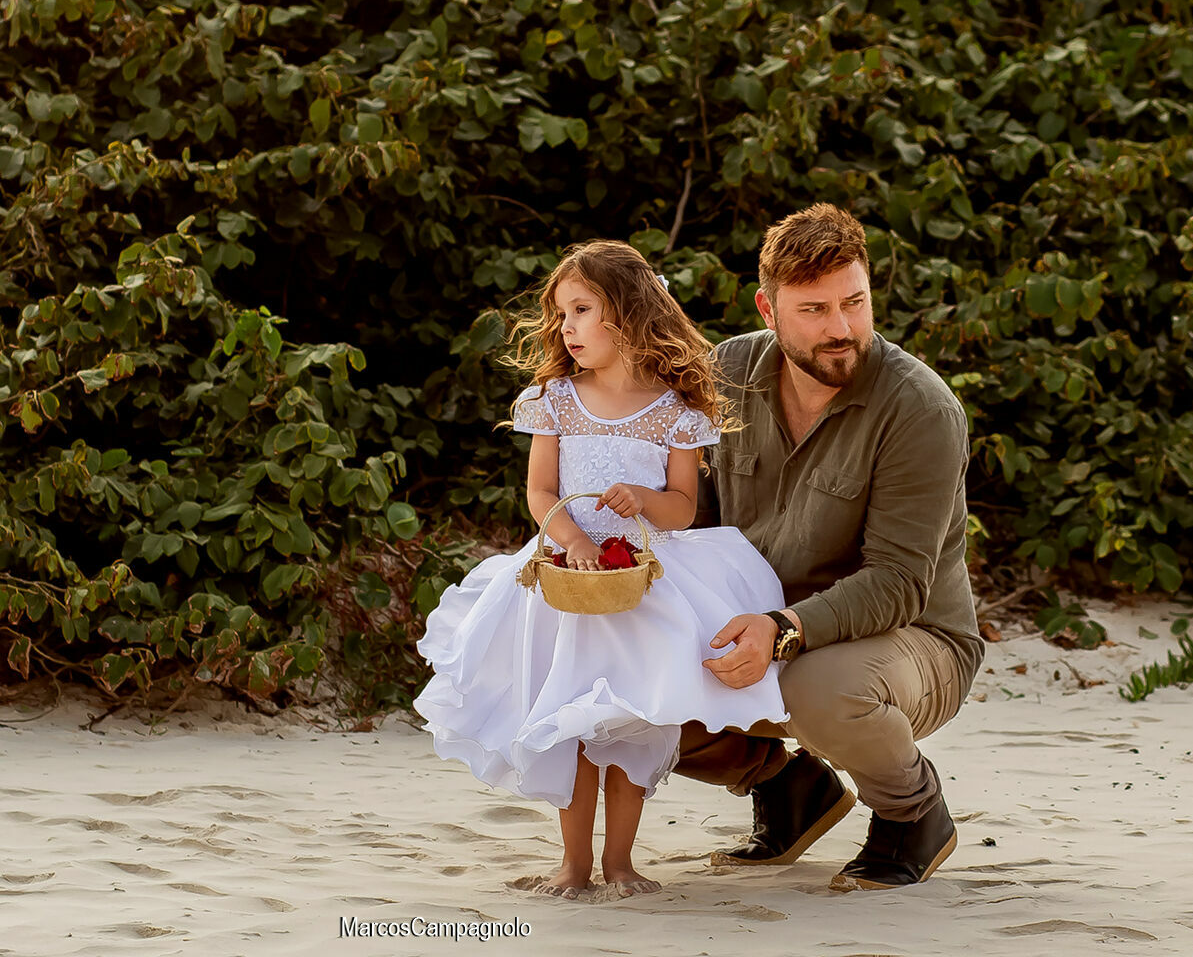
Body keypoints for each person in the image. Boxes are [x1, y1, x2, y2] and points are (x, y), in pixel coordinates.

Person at [414, 240, 789, 900]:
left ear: (626, 312)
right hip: (565, 582)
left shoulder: (675, 408)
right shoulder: (555, 398)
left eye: (581, 310)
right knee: (565, 720)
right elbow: (538, 493)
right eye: (561, 314)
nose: (566, 328)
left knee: (628, 723)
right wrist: (568, 538)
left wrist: (641, 500)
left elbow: (679, 509)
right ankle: (571, 865)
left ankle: (619, 862)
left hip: (641, 583)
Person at [676, 202, 982, 891]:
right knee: (620, 674)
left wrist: (782, 630)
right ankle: (788, 789)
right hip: (766, 623)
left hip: (912, 639)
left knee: (819, 687)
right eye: (813, 310)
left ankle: (912, 815)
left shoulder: (920, 409)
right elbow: (695, 525)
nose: (840, 329)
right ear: (768, 305)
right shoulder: (724, 373)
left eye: (854, 303)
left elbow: (900, 583)